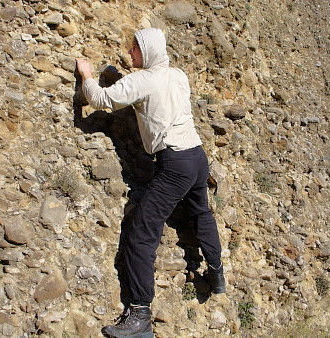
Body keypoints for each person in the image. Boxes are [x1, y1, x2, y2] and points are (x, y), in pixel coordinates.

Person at [76, 28, 225, 338]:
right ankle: (217, 272)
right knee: (201, 214)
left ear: (148, 51)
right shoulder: (178, 74)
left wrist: (87, 75)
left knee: (141, 233)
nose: (130, 54)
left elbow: (101, 99)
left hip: (175, 164)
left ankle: (140, 315)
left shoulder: (143, 79)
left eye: (135, 49)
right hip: (198, 158)